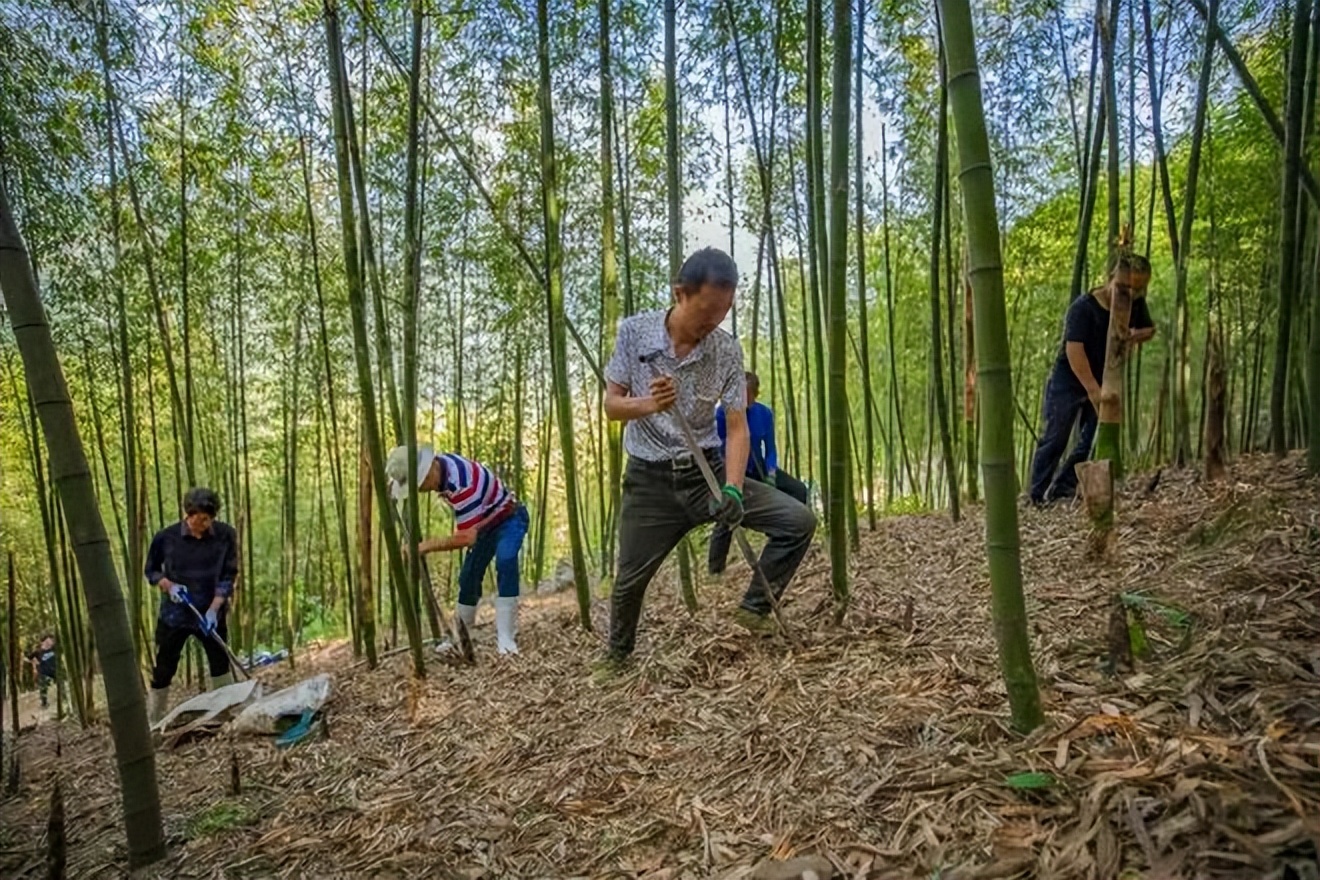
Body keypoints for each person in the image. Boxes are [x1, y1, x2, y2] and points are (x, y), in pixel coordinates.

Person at [599, 247, 817, 672]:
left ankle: (754, 608)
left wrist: (733, 487)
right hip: (650, 481)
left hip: (708, 473)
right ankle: (617, 656)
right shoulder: (635, 332)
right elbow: (611, 405)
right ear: (680, 293)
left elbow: (737, 427)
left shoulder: (726, 351)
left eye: (724, 311)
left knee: (798, 522)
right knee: (629, 579)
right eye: (707, 309)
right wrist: (650, 405)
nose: (714, 321)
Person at [1029, 254, 1156, 505]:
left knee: (1091, 440)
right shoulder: (1083, 308)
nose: (1130, 294)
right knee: (1056, 436)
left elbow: (1149, 330)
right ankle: (1036, 494)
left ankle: (1063, 487)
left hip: (1105, 377)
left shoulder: (1134, 304)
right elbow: (1074, 350)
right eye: (1124, 287)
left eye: (1138, 289)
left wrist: (1132, 335)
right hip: (1071, 379)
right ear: (1110, 278)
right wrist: (1093, 390)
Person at [386, 445, 529, 655]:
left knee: (506, 560)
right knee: (468, 577)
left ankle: (506, 638)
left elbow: (467, 538)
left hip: (509, 519)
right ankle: (461, 636)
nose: (420, 489)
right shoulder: (443, 470)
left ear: (430, 469)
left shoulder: (462, 484)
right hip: (483, 525)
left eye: (419, 483)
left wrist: (426, 546)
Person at [144, 487, 239, 723]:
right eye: (198, 518)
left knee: (219, 662)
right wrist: (168, 586)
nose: (203, 524)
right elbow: (151, 571)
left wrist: (214, 609)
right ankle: (154, 718)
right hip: (175, 614)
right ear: (187, 514)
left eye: (208, 519)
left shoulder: (226, 535)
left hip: (210, 612)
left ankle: (224, 715)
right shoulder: (166, 538)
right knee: (164, 666)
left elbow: (229, 575)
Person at [708, 371, 809, 575]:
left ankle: (782, 542)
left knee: (798, 490)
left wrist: (771, 473)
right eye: (741, 394)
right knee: (727, 513)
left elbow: (770, 448)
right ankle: (715, 569)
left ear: (756, 394)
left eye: (749, 395)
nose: (745, 399)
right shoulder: (721, 414)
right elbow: (718, 449)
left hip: (759, 468)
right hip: (732, 470)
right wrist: (730, 479)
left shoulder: (764, 414)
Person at [27, 634, 56, 710]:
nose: (51, 642)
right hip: (43, 672)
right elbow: (28, 658)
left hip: (55, 671)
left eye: (52, 640)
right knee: (43, 688)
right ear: (43, 642)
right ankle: (44, 703)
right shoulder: (38, 652)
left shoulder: (55, 649)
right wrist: (34, 664)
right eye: (49, 640)